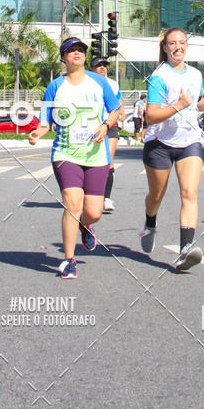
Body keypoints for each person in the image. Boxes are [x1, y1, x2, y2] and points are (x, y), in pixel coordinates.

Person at [29, 37, 120, 279]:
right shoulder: (55, 86)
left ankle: (85, 224)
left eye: (80, 50)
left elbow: (116, 109)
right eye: (71, 51)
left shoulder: (99, 82)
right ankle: (69, 260)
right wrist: (38, 132)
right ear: (64, 57)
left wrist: (106, 125)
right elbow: (45, 121)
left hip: (96, 155)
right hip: (65, 153)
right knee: (72, 204)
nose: (77, 53)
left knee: (94, 212)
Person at [140, 27, 204, 271]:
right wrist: (179, 105)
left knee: (189, 193)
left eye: (182, 42)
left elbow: (196, 104)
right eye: (172, 43)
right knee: (156, 196)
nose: (178, 47)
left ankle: (186, 249)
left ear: (186, 46)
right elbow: (151, 116)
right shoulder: (159, 77)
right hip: (159, 144)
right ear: (165, 48)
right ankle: (150, 223)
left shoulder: (195, 74)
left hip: (189, 141)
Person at [90, 56, 124, 212]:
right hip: (92, 126)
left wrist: (121, 113)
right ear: (92, 68)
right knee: (91, 161)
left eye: (104, 65)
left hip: (110, 124)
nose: (102, 68)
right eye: (99, 65)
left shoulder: (113, 84)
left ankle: (107, 198)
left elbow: (118, 100)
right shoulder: (86, 82)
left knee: (108, 160)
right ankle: (90, 195)